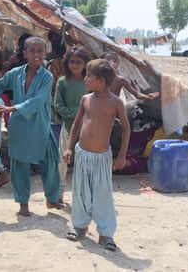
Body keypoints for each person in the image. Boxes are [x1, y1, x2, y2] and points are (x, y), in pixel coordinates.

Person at [0, 36, 64, 216]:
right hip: (19, 126)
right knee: (20, 165)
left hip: (40, 125)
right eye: (33, 51)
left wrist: (10, 108)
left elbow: (37, 101)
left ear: (45, 53)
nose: (37, 54)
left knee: (51, 161)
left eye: (40, 51)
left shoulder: (47, 77)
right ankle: (23, 204)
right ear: (25, 53)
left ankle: (51, 198)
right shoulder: (15, 73)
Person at [63, 58, 129, 252]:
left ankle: (106, 233)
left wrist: (122, 155)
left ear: (101, 80)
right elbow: (76, 125)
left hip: (102, 157)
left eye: (89, 76)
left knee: (102, 194)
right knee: (81, 191)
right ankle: (80, 226)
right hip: (82, 154)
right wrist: (68, 148)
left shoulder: (116, 103)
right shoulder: (86, 100)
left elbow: (126, 129)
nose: (85, 78)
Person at [53, 46, 91, 202]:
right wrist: (79, 112)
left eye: (79, 62)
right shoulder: (62, 82)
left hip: (88, 129)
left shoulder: (90, 82)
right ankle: (59, 194)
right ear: (67, 63)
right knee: (62, 162)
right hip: (68, 127)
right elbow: (58, 106)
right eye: (72, 62)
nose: (75, 65)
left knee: (85, 163)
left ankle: (83, 196)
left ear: (85, 64)